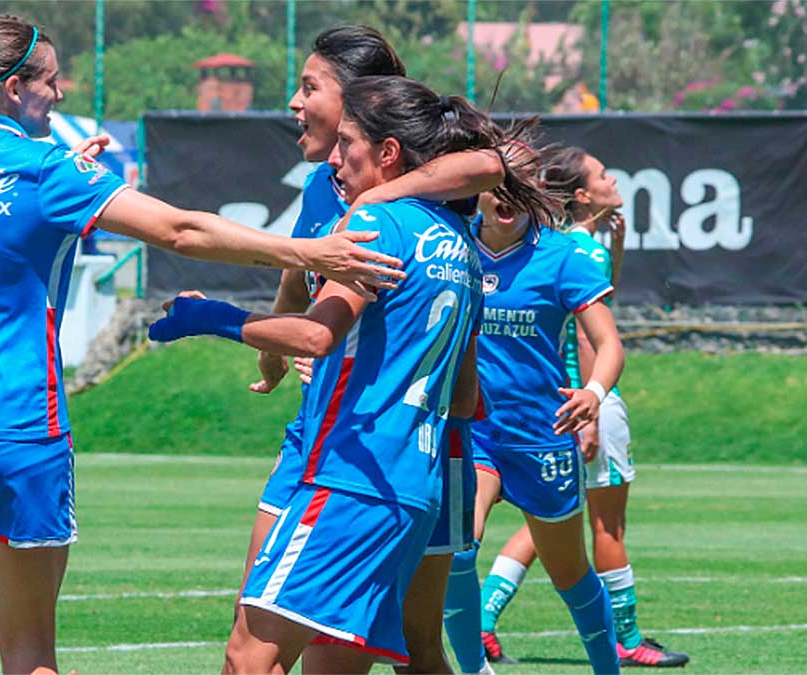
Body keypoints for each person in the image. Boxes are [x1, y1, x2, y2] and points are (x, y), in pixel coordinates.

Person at [0, 14, 411, 675]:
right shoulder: (49, 170)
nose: (62, 91)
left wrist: (78, 178)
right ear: (14, 89)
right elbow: (180, 230)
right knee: (29, 651)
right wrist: (306, 250)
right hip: (10, 425)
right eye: (50, 78)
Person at [149, 75, 551, 675]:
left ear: (388, 152)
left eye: (349, 142)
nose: (336, 159)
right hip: (416, 489)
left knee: (247, 657)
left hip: (347, 479)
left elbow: (315, 335)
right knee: (397, 657)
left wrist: (211, 317)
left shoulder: (379, 225)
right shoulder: (464, 248)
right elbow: (467, 399)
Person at [241, 26, 504, 673]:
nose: (295, 103)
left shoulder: (401, 198)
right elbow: (300, 274)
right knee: (295, 636)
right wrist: (279, 348)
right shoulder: (323, 193)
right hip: (329, 438)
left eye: (309, 88)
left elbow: (497, 162)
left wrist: (383, 194)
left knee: (276, 648)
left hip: (383, 451)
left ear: (359, 101)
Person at [477, 146, 690, 668]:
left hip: (552, 413)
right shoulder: (572, 251)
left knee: (551, 532)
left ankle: (484, 618)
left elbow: (593, 318)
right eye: (601, 176)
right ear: (579, 195)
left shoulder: (574, 249)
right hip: (563, 407)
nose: (613, 180)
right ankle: (626, 638)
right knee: (605, 525)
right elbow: (591, 340)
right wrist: (593, 402)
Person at [440, 140, 627, 675]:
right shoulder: (450, 247)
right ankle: (476, 669)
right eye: (497, 183)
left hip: (541, 437)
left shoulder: (561, 256)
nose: (507, 196)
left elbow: (609, 344)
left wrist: (592, 394)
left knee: (570, 573)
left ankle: (607, 669)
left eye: (520, 185)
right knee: (457, 551)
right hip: (472, 433)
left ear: (537, 193)